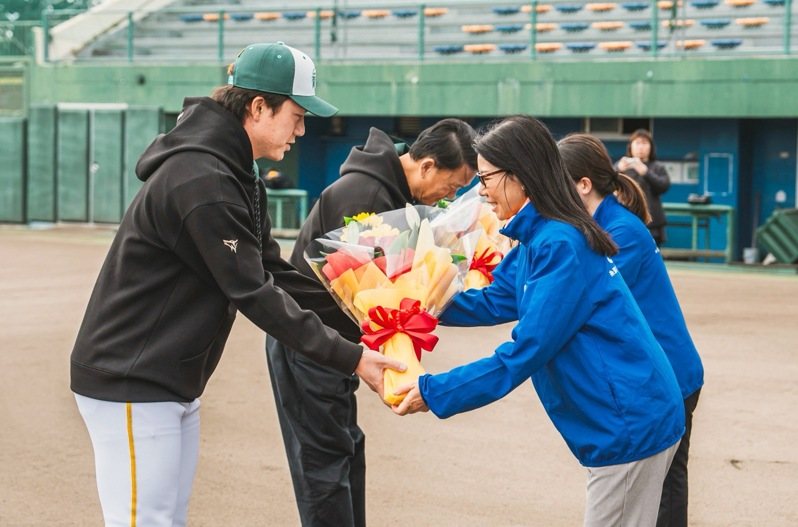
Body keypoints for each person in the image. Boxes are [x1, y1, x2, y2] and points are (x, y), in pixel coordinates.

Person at [70, 42, 404, 527]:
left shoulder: (235, 172)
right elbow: (254, 292)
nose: (303, 128)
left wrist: (366, 318)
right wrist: (353, 357)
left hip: (167, 379)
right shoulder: (199, 179)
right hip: (130, 377)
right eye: (297, 113)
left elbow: (274, 270)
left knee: (165, 519)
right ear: (258, 107)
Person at [393, 115, 685, 527]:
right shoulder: (540, 235)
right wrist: (412, 303)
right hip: (620, 415)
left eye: (486, 178)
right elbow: (495, 300)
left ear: (520, 176)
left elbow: (525, 352)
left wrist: (434, 391)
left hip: (628, 422)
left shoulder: (560, 243)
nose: (481, 191)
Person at [266, 118, 477, 527]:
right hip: (310, 341)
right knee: (324, 461)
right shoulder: (365, 194)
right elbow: (367, 289)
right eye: (452, 186)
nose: (449, 197)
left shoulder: (391, 194)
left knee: (345, 449)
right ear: (428, 165)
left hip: (339, 347)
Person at [559, 133, 704, 527]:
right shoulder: (600, 223)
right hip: (655, 369)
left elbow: (582, 299)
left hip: (672, 372)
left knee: (666, 489)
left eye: (557, 182)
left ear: (583, 185)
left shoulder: (622, 231)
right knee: (654, 488)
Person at [615, 129, 671, 245]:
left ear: (651, 147)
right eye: (637, 143)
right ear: (630, 146)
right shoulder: (622, 166)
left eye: (645, 143)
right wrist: (617, 170)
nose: (641, 147)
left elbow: (664, 186)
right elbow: (604, 184)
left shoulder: (657, 166)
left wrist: (646, 172)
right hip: (626, 220)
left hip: (652, 224)